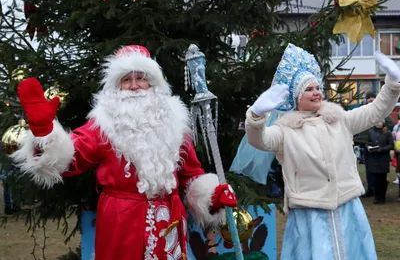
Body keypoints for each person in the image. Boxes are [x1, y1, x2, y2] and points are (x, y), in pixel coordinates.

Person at [12, 45, 237, 260]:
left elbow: (191, 175)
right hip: (121, 224)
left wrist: (212, 196)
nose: (134, 86)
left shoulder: (175, 123)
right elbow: (73, 158)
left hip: (168, 225)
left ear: (152, 82)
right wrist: (45, 133)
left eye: (141, 78)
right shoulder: (103, 124)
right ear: (116, 87)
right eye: (126, 80)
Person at [245, 43, 400, 259]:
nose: (316, 93)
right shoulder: (285, 131)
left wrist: (392, 84)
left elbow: (376, 111)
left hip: (348, 208)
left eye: (317, 87)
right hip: (309, 214)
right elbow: (259, 140)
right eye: (309, 89)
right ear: (297, 97)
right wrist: (256, 117)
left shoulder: (340, 120)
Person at [366, 121, 394, 204]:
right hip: (373, 158)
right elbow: (367, 143)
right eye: (376, 121)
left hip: (383, 159)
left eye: (379, 121)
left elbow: (391, 145)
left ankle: (382, 197)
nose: (377, 123)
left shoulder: (387, 132)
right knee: (374, 179)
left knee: (382, 179)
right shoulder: (370, 132)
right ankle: (376, 197)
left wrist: (381, 149)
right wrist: (368, 147)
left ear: (383, 122)